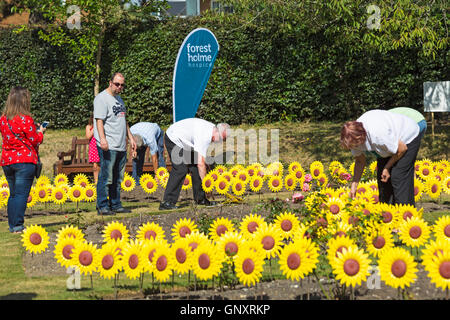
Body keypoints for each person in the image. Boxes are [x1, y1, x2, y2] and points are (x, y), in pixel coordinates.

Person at [340, 108, 426, 206]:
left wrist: (387, 167)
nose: (353, 148)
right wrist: (354, 185)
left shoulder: (378, 136)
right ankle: (387, 215)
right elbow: (360, 161)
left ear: (360, 139)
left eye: (354, 146)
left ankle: (406, 215)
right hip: (388, 144)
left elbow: (402, 149)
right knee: (383, 179)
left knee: (398, 176)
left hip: (408, 137)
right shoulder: (352, 138)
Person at [0, 87, 46, 233]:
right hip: (24, 161)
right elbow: (35, 140)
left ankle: (12, 225)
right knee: (21, 195)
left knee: (13, 194)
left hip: (8, 161)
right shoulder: (25, 119)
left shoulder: (3, 119)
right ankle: (18, 225)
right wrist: (41, 131)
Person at [159, 118, 230, 210]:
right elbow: (201, 164)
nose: (220, 142)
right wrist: (207, 186)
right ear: (217, 132)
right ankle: (167, 202)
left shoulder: (211, 130)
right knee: (180, 169)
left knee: (195, 168)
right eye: (221, 139)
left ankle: (200, 199)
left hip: (185, 141)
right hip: (173, 138)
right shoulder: (205, 135)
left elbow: (200, 161)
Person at [93, 72, 136, 215]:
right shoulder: (102, 98)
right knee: (106, 177)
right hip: (109, 145)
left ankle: (115, 204)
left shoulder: (119, 99)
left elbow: (124, 121)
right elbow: (99, 120)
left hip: (121, 145)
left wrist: (131, 137)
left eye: (122, 85)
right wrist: (102, 139)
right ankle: (102, 205)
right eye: (117, 84)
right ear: (110, 82)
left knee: (117, 178)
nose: (119, 87)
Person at [85, 114, 100, 184]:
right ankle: (96, 181)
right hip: (94, 148)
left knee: (102, 164)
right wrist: (95, 128)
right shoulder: (89, 127)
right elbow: (88, 136)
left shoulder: (102, 126)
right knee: (95, 166)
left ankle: (102, 181)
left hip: (101, 146)